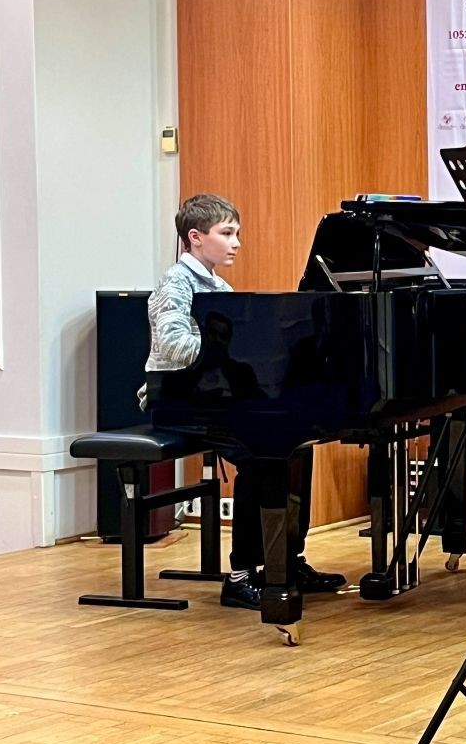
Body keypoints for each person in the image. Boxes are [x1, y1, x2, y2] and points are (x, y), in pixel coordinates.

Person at [140, 193, 345, 609]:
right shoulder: (176, 283)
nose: (236, 243)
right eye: (227, 233)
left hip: (216, 397)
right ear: (195, 237)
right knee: (260, 453)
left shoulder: (218, 286)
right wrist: (228, 349)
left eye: (237, 233)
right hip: (179, 399)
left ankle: (287, 560)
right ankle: (240, 575)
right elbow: (174, 346)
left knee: (298, 443)